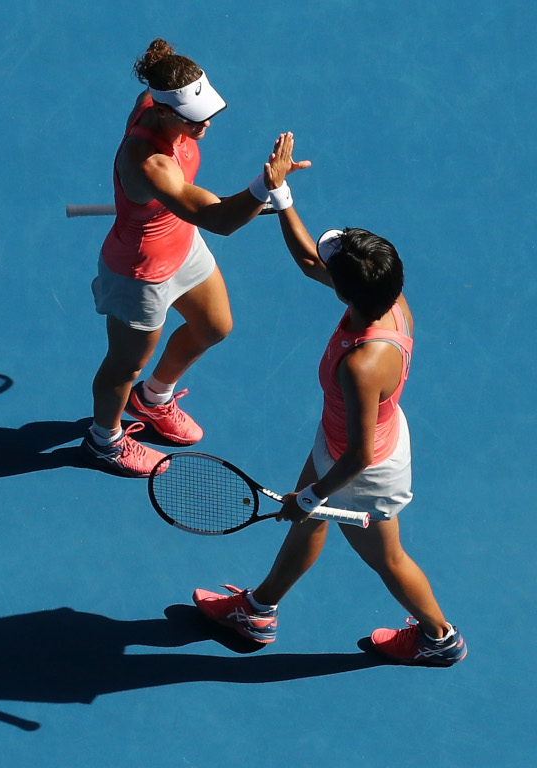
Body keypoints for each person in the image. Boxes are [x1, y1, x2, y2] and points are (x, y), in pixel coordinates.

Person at [192, 138, 467, 666]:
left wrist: (314, 492)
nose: (324, 260)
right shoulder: (389, 298)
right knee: (308, 521)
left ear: (342, 290)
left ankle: (439, 637)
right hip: (355, 438)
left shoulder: (362, 365)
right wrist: (279, 193)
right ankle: (258, 610)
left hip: (362, 466)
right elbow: (304, 259)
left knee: (385, 556)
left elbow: (360, 457)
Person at [83, 38, 310, 477]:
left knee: (214, 326)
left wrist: (255, 196)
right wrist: (267, 188)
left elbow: (210, 213)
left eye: (208, 113)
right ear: (165, 111)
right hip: (140, 271)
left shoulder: (155, 96)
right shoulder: (153, 165)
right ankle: (103, 442)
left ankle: (152, 399)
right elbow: (221, 220)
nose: (205, 124)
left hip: (183, 243)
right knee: (124, 364)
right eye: (194, 118)